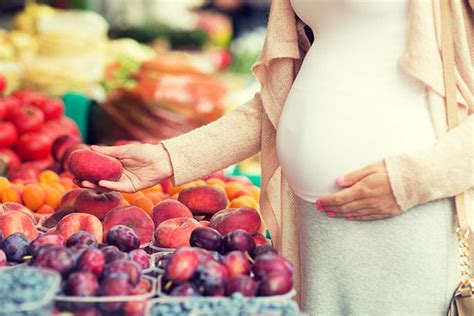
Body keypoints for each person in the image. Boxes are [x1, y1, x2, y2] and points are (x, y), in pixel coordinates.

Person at [82, 0, 474, 314]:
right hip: (310, 214)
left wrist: (412, 181)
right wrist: (169, 157)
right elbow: (276, 99)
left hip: (404, 210)